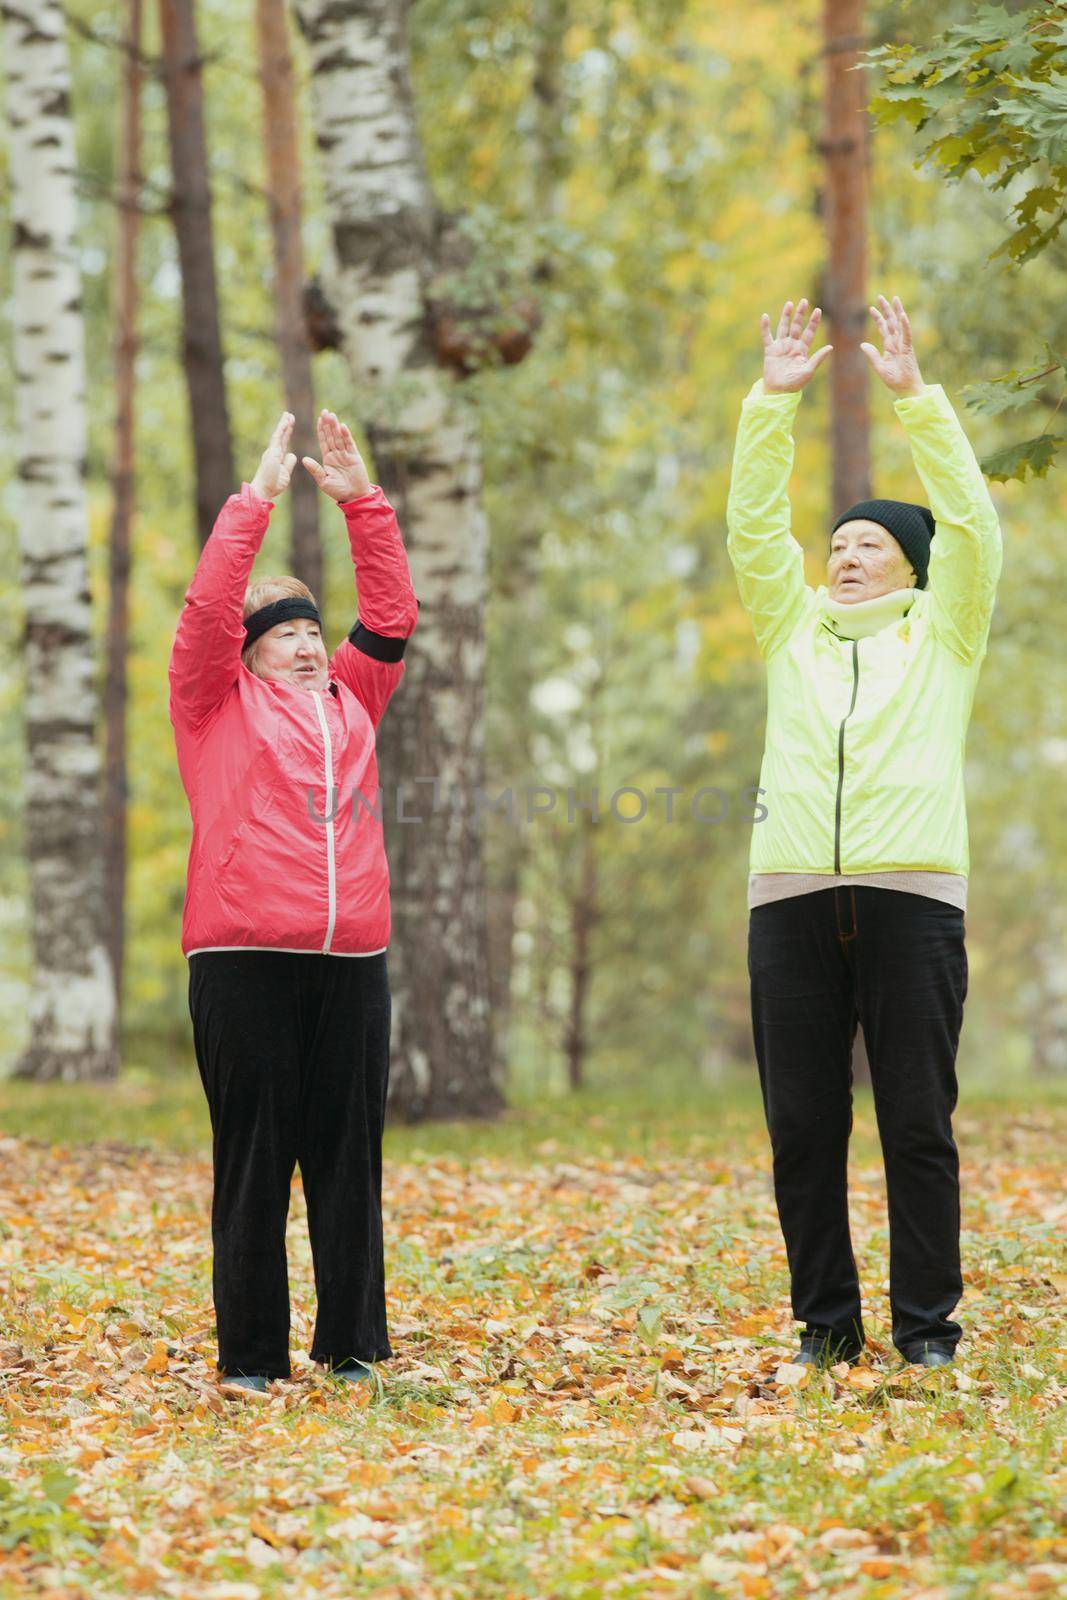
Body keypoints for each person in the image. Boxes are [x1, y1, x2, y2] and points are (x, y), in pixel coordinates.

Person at [726, 294, 1002, 1371]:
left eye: (868, 543)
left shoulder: (945, 636)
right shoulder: (789, 630)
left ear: (908, 566)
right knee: (802, 1130)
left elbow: (973, 525)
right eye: (836, 542)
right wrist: (770, 404)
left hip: (911, 900)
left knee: (916, 1129)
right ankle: (825, 1329)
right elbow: (754, 528)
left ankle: (925, 1331)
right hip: (787, 900)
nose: (843, 554)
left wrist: (914, 402)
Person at [169, 409, 419, 1398]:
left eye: (316, 631)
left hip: (351, 961)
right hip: (240, 961)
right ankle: (250, 1363)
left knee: (347, 1163)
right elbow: (203, 612)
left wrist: (361, 500)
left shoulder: (354, 698)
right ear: (248, 653)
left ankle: (352, 1348)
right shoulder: (211, 703)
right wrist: (257, 499)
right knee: (256, 1162)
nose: (311, 646)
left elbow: (391, 613)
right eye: (286, 636)